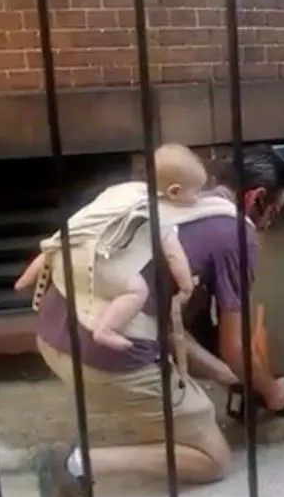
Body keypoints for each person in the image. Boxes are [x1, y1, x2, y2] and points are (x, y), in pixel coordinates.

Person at [25, 144, 284, 497]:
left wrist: (232, 377)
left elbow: (169, 333)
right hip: (103, 359)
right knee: (213, 459)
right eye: (272, 213)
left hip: (53, 337)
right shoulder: (235, 235)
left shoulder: (165, 199)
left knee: (175, 374)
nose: (266, 225)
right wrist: (274, 392)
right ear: (255, 198)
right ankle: (72, 464)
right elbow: (235, 346)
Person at [16, 143, 208, 352]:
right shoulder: (160, 211)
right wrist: (186, 286)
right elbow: (174, 256)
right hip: (97, 262)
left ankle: (26, 279)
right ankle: (106, 329)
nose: (198, 198)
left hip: (70, 245)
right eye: (196, 192)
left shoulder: (120, 190)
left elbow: (84, 220)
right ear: (174, 191)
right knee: (137, 291)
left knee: (58, 242)